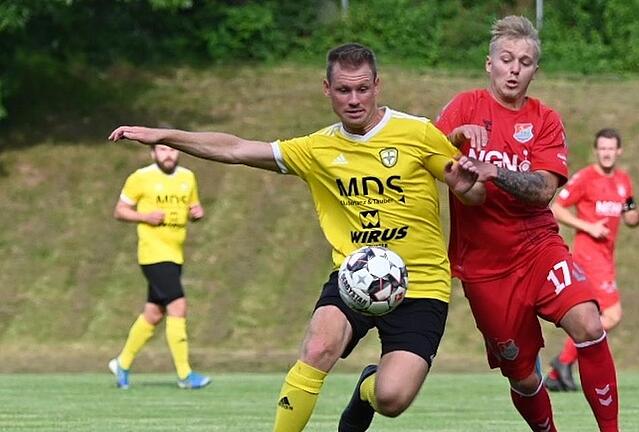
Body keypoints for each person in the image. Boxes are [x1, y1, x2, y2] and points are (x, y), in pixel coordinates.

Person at [109, 43, 485, 432]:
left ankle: (364, 394)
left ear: (377, 85)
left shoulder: (418, 133)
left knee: (392, 399)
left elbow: (472, 192)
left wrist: (465, 187)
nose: (354, 100)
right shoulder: (316, 148)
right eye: (343, 90)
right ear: (327, 89)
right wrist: (165, 136)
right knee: (318, 348)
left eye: (362, 89)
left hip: (420, 286)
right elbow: (236, 148)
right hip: (353, 278)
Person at [435, 15, 620, 431]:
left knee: (590, 324)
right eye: (506, 59)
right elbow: (423, 153)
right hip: (484, 268)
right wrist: (453, 140)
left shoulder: (545, 120)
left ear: (535, 70)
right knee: (523, 375)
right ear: (489, 64)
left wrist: (493, 171)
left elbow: (542, 190)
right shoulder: (463, 107)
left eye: (524, 61)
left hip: (538, 248)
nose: (514, 69)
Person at [544, 128, 639, 392]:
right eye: (602, 148)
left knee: (594, 316)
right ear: (597, 151)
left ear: (619, 151)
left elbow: (627, 218)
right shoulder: (585, 178)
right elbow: (556, 208)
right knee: (612, 314)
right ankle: (564, 361)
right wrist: (588, 227)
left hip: (606, 258)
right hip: (587, 256)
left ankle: (556, 374)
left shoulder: (623, 181)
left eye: (611, 148)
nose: (606, 153)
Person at [109, 143, 211, 390]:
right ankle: (185, 375)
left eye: (173, 150)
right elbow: (120, 211)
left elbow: (192, 208)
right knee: (178, 306)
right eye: (163, 150)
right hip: (153, 254)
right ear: (153, 153)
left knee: (154, 314)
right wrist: (144, 217)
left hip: (175, 255)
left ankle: (121, 363)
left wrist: (196, 213)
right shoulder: (140, 178)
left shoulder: (188, 177)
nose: (168, 155)